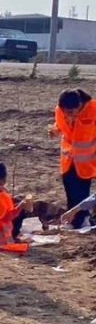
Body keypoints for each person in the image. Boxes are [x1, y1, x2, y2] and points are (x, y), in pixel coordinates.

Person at [50, 89, 96, 229]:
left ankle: (82, 220)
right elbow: (60, 125)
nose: (68, 115)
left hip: (86, 161)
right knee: (70, 189)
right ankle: (73, 219)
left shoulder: (93, 110)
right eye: (65, 112)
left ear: (80, 105)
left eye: (71, 112)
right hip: (68, 160)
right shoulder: (60, 110)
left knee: (81, 192)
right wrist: (55, 130)